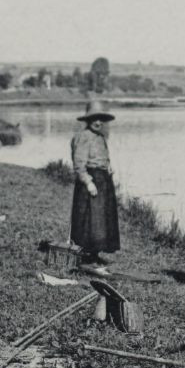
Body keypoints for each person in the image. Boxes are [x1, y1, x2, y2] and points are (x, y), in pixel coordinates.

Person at [69, 98, 120, 268]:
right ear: (88, 120)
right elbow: (79, 164)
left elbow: (102, 158)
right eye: (94, 119)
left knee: (101, 219)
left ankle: (95, 253)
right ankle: (85, 255)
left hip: (103, 180)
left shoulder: (100, 137)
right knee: (88, 219)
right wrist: (88, 182)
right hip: (90, 182)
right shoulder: (83, 137)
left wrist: (108, 169)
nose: (98, 122)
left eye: (100, 119)